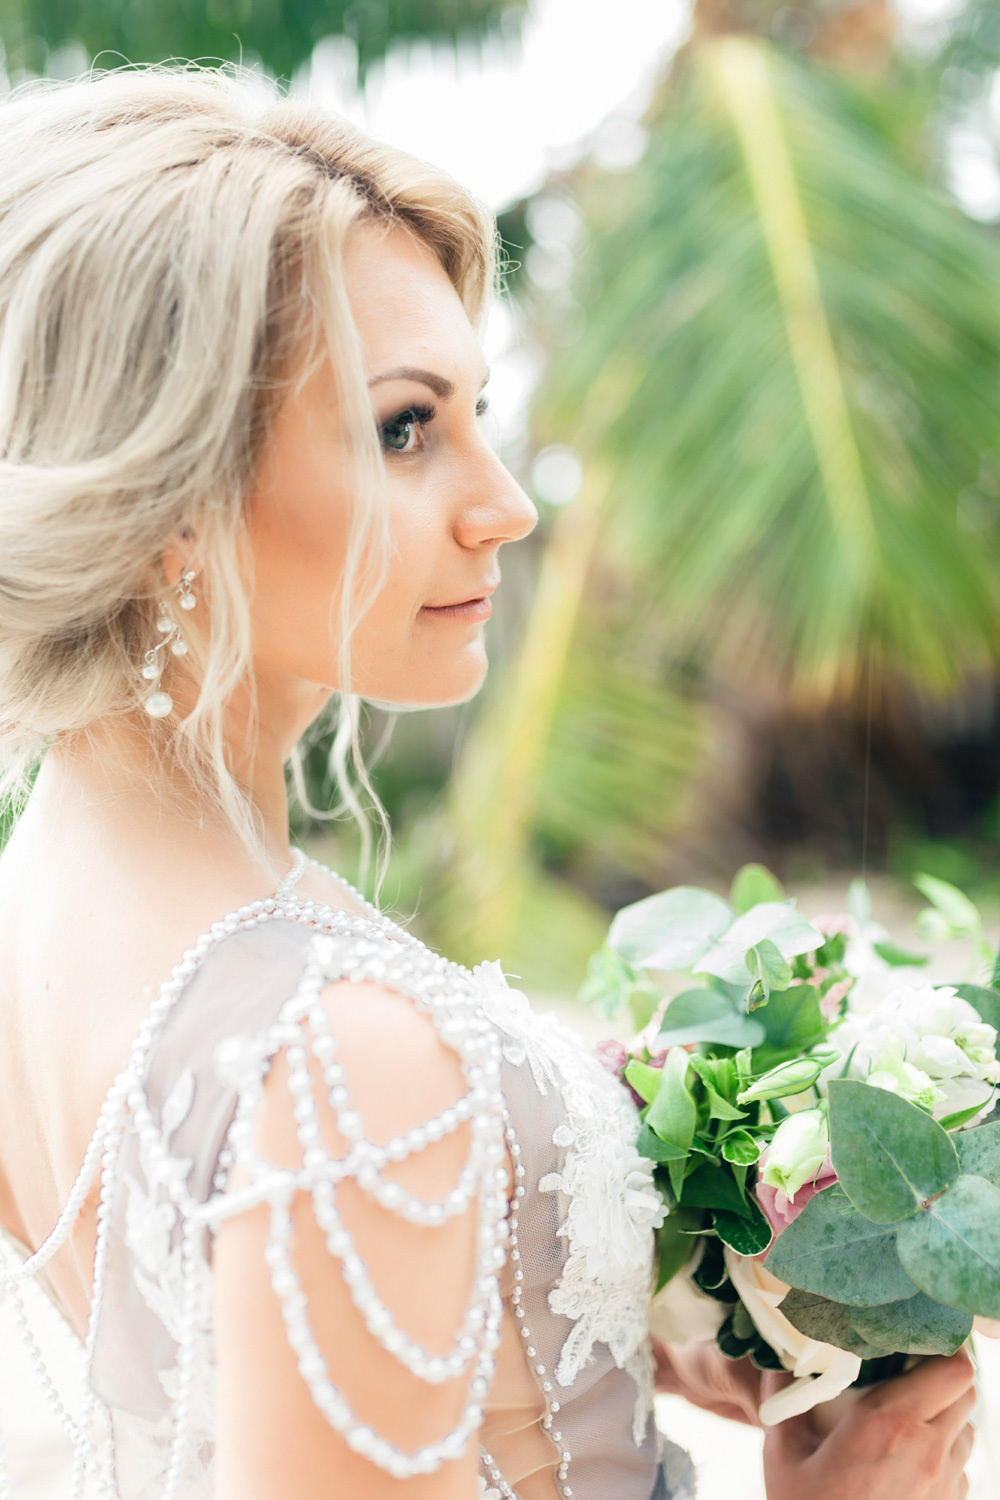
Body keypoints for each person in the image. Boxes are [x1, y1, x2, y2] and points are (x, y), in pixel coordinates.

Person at [0, 66, 975, 1500]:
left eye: (475, 411)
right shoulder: (333, 1055)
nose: (504, 503)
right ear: (167, 503)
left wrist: (593, 1340)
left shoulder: (50, 896)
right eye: (406, 428)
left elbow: (212, 1344)